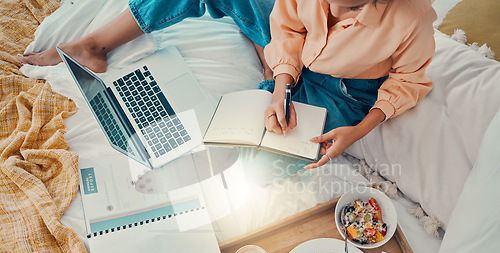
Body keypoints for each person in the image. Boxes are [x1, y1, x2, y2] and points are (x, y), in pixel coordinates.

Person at [18, 0, 437, 182]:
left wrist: (360, 130)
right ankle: (95, 45)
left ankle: (263, 60)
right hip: (291, 56)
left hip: (345, 92)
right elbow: (290, 25)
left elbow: (409, 79)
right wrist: (281, 80)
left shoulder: (410, 17)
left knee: (253, 164)